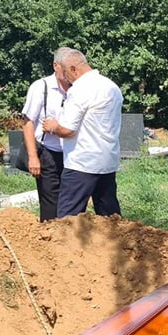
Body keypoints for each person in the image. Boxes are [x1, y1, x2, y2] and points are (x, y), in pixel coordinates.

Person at [41, 49, 124, 217]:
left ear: (73, 69)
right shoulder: (111, 86)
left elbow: (67, 130)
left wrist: (53, 126)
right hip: (107, 160)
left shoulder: (80, 89)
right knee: (110, 218)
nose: (66, 78)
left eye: (65, 73)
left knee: (69, 219)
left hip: (82, 163)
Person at [20, 48, 72, 221]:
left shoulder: (77, 89)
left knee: (70, 202)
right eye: (66, 68)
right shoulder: (40, 87)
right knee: (50, 204)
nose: (70, 72)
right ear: (56, 66)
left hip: (71, 153)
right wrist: (33, 157)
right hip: (47, 152)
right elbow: (28, 122)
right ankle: (49, 233)